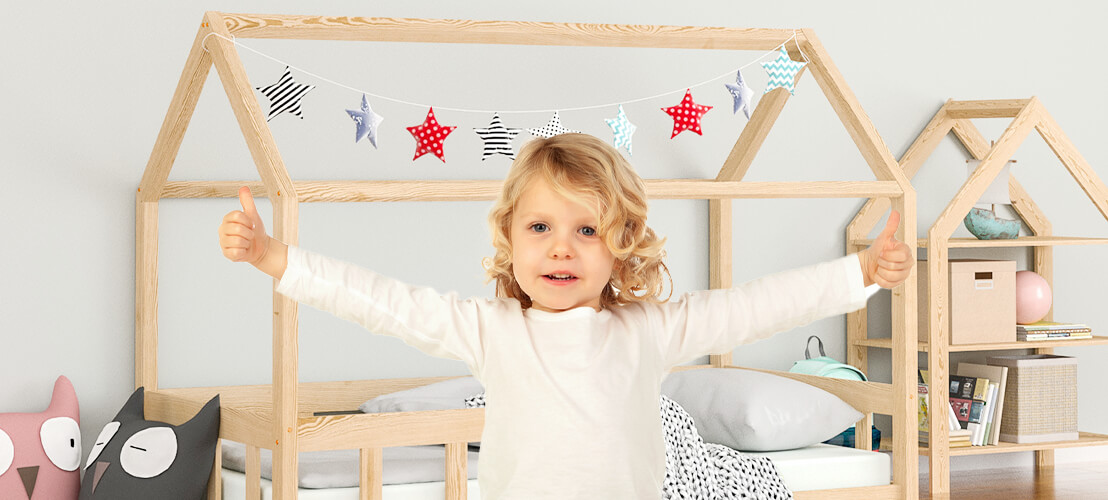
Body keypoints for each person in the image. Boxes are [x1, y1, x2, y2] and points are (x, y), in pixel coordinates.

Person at [217, 133, 913, 499]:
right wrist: (278, 258)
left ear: (622, 246)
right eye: (541, 228)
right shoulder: (491, 328)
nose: (561, 247)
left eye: (587, 231)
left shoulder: (648, 330)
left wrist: (859, 274)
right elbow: (381, 302)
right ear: (511, 241)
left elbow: (755, 308)